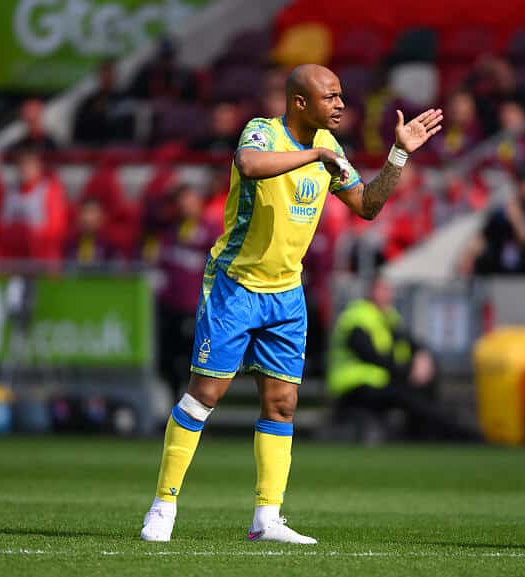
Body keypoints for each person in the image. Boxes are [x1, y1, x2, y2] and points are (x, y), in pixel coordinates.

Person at [140, 64, 443, 544]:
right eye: (331, 97)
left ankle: (267, 519)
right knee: (206, 395)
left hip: (286, 293)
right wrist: (316, 154)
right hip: (235, 285)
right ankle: (164, 506)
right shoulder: (263, 131)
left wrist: (398, 156)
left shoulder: (331, 147)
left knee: (282, 403)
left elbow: (366, 205)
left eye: (342, 95)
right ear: (300, 102)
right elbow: (248, 166)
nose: (341, 104)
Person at [327, 277, 472, 442]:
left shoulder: (389, 317)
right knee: (408, 397)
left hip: (381, 381)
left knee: (425, 383)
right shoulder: (356, 317)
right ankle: (450, 434)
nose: (389, 295)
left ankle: (434, 431)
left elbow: (410, 342)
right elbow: (371, 356)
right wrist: (408, 371)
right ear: (372, 292)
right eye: (384, 290)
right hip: (353, 386)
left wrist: (422, 357)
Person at [156, 184, 222, 400]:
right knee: (169, 360)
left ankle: (197, 408)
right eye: (181, 201)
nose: (185, 206)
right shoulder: (171, 232)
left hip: (198, 311)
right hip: (171, 309)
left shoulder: (210, 232)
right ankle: (174, 403)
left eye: (190, 200)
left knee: (196, 363)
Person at [462, 170, 525, 278]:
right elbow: (485, 235)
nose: (521, 190)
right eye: (518, 186)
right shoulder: (506, 211)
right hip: (505, 272)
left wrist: (517, 219)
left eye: (524, 185)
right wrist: (469, 256)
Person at [0, 149, 68, 261]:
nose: (25, 169)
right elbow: (2, 224)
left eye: (29, 165)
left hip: (41, 252)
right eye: (22, 165)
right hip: (14, 252)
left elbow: (57, 228)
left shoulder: (50, 190)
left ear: (39, 167)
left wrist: (29, 233)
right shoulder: (11, 192)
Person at [73, 60, 132, 146]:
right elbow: (79, 133)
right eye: (104, 74)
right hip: (93, 149)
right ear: (98, 76)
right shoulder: (89, 102)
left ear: (115, 76)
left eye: (110, 74)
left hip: (117, 149)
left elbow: (128, 131)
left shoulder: (124, 100)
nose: (107, 77)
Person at [63, 197, 116, 264]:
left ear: (101, 217)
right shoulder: (70, 243)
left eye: (92, 212)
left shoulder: (109, 244)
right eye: (85, 211)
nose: (88, 217)